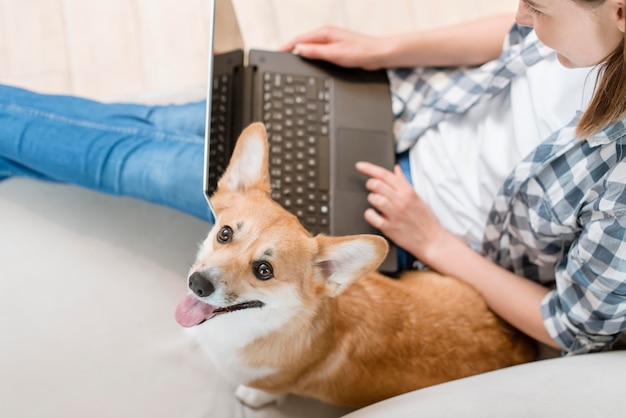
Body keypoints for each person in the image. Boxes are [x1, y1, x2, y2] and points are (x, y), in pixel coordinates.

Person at [0, 0, 624, 355]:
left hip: (398, 216)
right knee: (157, 123)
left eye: (539, 6)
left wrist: (435, 242)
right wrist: (382, 51)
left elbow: (569, 323)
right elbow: (513, 35)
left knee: (132, 156)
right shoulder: (581, 23)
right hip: (400, 108)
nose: (521, 13)